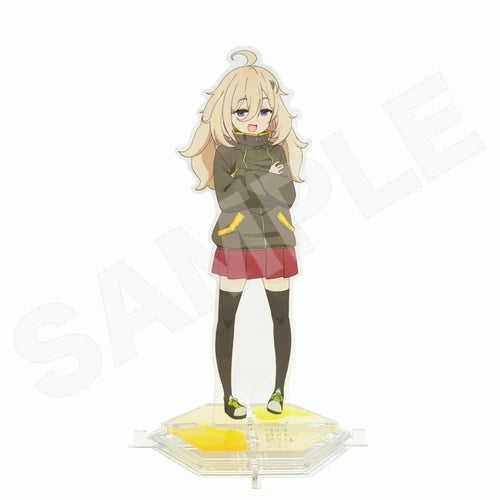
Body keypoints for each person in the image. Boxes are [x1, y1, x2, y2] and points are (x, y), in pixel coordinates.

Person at [180, 49, 307, 419]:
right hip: (235, 241)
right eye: (242, 111)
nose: (254, 120)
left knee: (281, 317)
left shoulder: (278, 149)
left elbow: (288, 195)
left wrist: (252, 184)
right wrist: (265, 183)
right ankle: (228, 396)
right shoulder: (225, 153)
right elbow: (228, 198)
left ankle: (278, 391)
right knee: (227, 319)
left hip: (276, 240)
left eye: (264, 111)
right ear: (227, 111)